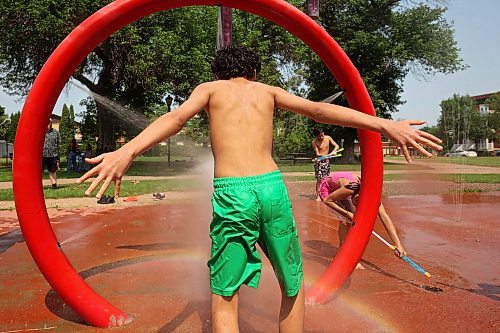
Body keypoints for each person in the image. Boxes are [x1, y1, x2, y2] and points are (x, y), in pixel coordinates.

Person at [78, 45, 441, 332]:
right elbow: (319, 111)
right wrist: (385, 124)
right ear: (253, 72)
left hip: (234, 192)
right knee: (292, 284)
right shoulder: (268, 90)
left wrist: (128, 150)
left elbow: (175, 119)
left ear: (219, 72)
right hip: (271, 188)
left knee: (224, 294)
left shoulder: (209, 88)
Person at [319, 171, 407, 262]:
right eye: (357, 201)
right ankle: (341, 253)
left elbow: (384, 217)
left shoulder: (373, 195)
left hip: (345, 190)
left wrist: (398, 244)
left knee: (353, 219)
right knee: (346, 220)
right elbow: (327, 200)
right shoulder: (350, 189)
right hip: (327, 190)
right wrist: (347, 214)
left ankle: (343, 253)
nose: (357, 205)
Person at [311, 128, 340, 201]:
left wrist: (333, 152)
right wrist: (323, 156)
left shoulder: (328, 138)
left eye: (322, 135)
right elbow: (317, 153)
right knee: (319, 179)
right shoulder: (314, 142)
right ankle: (318, 196)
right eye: (319, 136)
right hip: (319, 162)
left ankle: (327, 194)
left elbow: (337, 146)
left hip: (326, 161)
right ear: (316, 136)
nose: (321, 137)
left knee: (327, 178)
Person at [42, 119, 61, 189]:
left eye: (49, 123)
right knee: (39, 171)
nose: (48, 125)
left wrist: (58, 157)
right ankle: (38, 185)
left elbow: (59, 144)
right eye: (46, 123)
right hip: (42, 155)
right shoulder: (40, 132)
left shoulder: (56, 132)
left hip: (53, 155)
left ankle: (54, 184)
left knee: (52, 170)